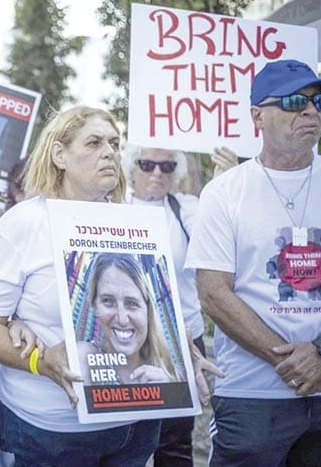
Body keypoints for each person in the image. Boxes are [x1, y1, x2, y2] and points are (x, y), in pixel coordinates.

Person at [0, 106, 163, 467]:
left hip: (133, 426)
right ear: (59, 154)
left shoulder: (135, 219)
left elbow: (153, 308)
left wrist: (176, 349)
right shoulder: (24, 223)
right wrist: (41, 361)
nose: (109, 152)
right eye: (93, 142)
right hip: (50, 432)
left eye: (115, 143)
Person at [186, 59, 321, 467]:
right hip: (251, 396)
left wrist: (319, 355)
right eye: (296, 101)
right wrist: (288, 361)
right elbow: (213, 294)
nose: (311, 111)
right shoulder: (224, 192)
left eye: (317, 102)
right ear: (257, 116)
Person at [121, 145, 203, 466]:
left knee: (175, 442)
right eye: (147, 164)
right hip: (127, 339)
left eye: (167, 167)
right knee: (123, 437)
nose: (157, 173)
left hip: (182, 339)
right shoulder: (112, 206)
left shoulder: (188, 209)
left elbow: (217, 239)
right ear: (131, 168)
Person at [77, 252, 179, 385]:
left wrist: (171, 394)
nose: (122, 319)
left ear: (148, 310)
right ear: (94, 304)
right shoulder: (84, 358)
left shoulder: (171, 371)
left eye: (132, 303)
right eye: (108, 301)